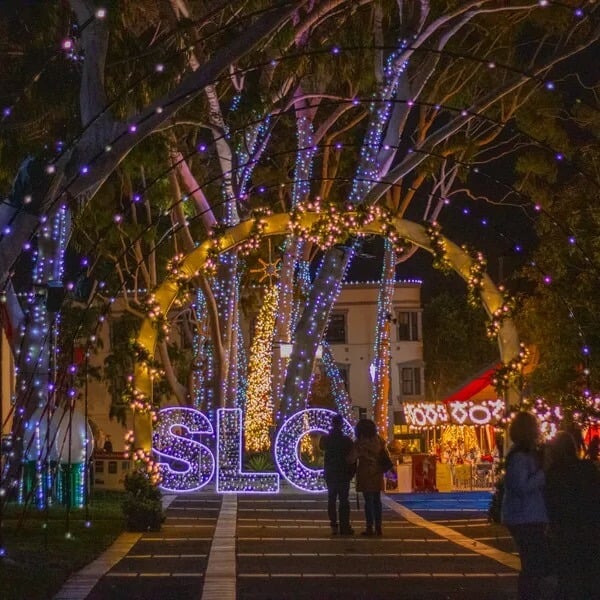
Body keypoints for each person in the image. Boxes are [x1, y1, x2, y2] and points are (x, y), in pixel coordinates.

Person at [501, 411, 550, 600]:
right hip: (525, 516)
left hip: (527, 515)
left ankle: (530, 593)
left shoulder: (522, 455)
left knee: (532, 562)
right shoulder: (520, 457)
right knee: (532, 562)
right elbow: (521, 486)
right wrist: (542, 473)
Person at [545, 431, 600, 599]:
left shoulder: (554, 472)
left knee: (567, 570)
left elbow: (551, 501)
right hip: (588, 525)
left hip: (565, 527)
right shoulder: (586, 468)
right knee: (588, 567)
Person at [319, 414, 355, 535]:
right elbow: (352, 457)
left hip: (331, 473)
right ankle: (344, 526)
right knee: (344, 500)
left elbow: (321, 446)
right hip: (343, 473)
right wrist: (352, 472)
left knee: (332, 499)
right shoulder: (346, 440)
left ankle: (334, 525)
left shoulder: (326, 439)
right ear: (341, 424)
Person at [351, 418, 386, 536]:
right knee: (377, 500)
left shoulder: (360, 443)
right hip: (377, 472)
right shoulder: (379, 441)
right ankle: (379, 527)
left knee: (368, 501)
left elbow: (351, 458)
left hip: (365, 473)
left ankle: (369, 527)